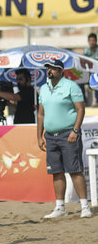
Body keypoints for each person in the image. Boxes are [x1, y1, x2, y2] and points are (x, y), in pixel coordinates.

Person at [37, 59, 92, 219]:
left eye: (54, 69)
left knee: (75, 170)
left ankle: (84, 206)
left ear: (61, 71)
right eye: (49, 68)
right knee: (57, 172)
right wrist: (39, 136)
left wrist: (75, 130)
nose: (50, 71)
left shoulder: (71, 86)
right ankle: (60, 207)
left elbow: (81, 109)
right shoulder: (43, 89)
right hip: (51, 136)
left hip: (69, 134)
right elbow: (41, 114)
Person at [83, 33, 98, 106]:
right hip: (88, 72)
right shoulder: (86, 51)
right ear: (88, 41)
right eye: (91, 41)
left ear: (96, 41)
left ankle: (97, 102)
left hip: (96, 72)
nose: (92, 42)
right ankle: (84, 101)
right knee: (80, 80)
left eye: (94, 40)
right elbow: (82, 62)